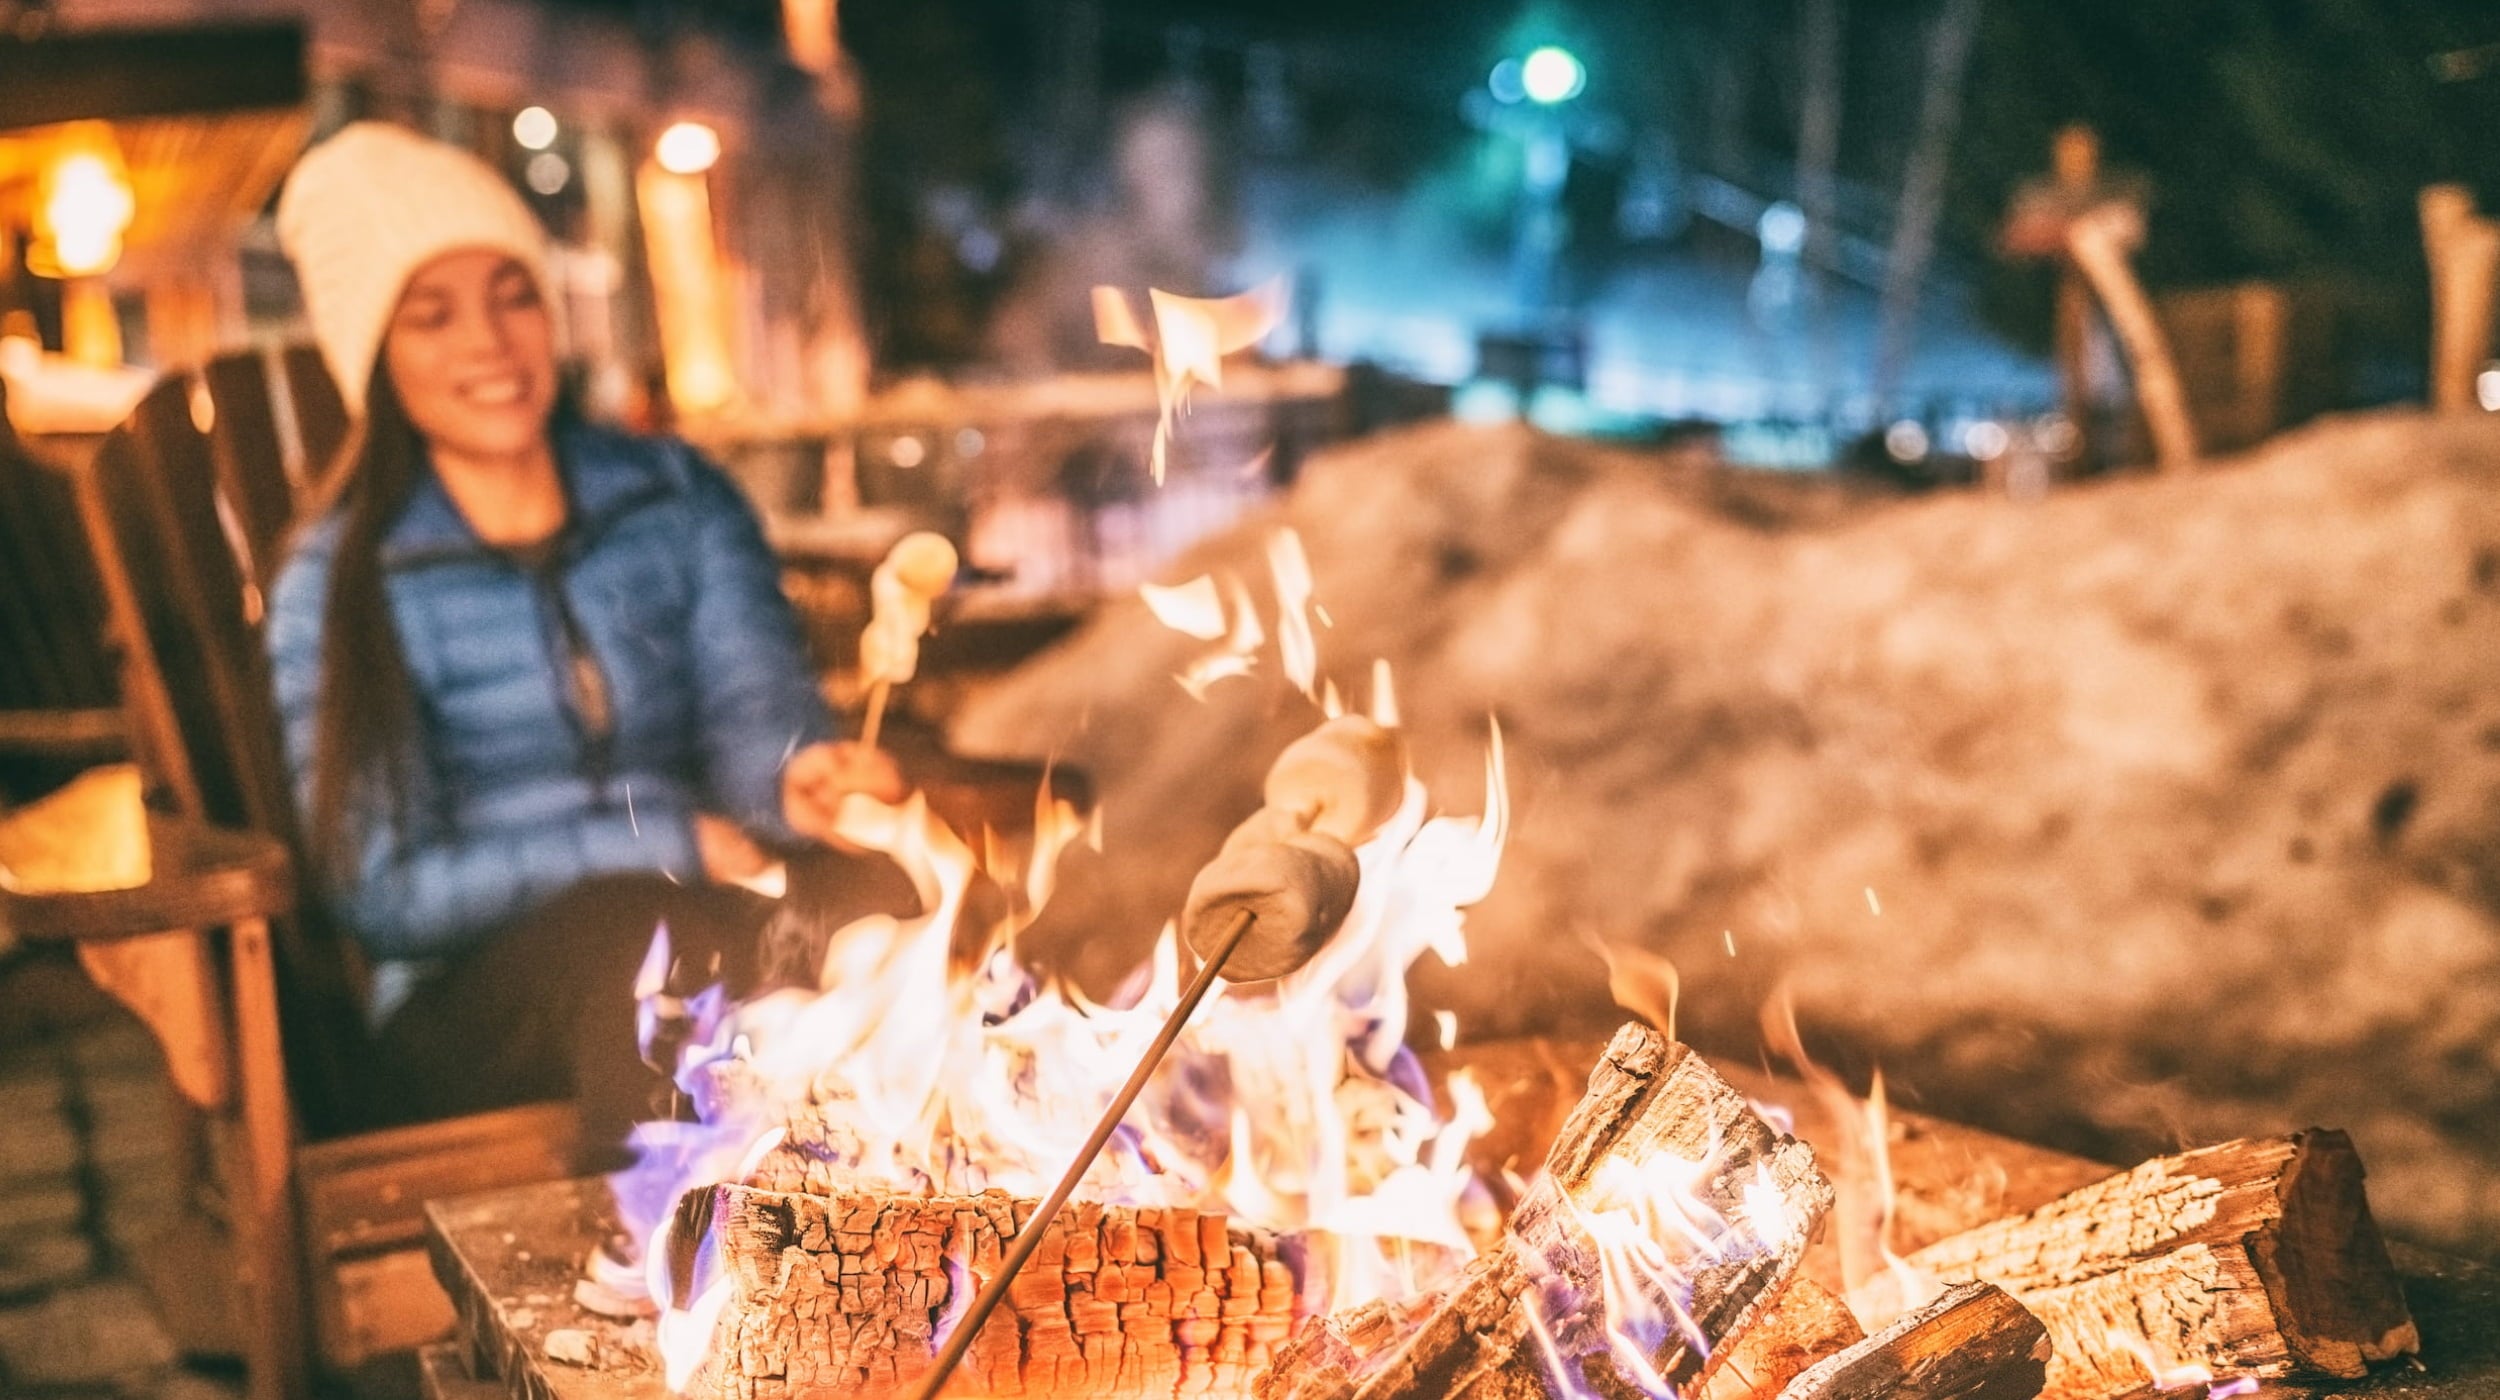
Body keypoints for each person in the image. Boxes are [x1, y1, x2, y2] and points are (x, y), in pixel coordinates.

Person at [266, 123, 914, 1166]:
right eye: (431, 315)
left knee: (885, 899)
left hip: (695, 915)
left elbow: (756, 708)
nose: (488, 342)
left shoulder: (672, 498)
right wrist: (651, 836)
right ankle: (682, 1279)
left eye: (512, 293)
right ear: (373, 351)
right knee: (634, 940)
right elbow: (382, 889)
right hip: (464, 1001)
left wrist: (797, 779)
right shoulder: (342, 582)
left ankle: (916, 1234)